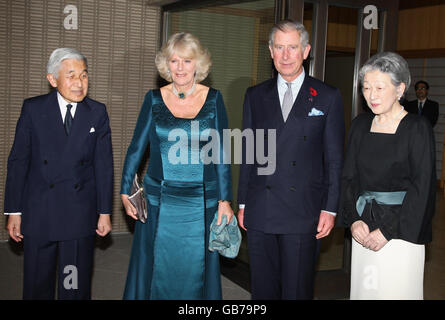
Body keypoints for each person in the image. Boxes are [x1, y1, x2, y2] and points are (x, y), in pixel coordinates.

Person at [237, 20, 345, 300]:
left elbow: (334, 159)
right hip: (261, 207)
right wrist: (243, 203)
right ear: (271, 51)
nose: (286, 55)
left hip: (304, 210)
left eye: (293, 48)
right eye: (280, 47)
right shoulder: (255, 95)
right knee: (262, 289)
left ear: (306, 51)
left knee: (297, 290)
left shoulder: (327, 96)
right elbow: (249, 153)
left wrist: (330, 209)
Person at [120, 32, 233, 300]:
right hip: (159, 201)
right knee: (155, 269)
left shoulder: (214, 100)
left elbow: (222, 154)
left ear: (198, 64)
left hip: (202, 201)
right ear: (166, 65)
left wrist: (225, 200)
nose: (180, 67)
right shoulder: (154, 99)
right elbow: (137, 148)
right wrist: (126, 190)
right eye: (174, 61)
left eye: (186, 60)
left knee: (197, 273)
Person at [4, 48, 114, 299]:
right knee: (37, 283)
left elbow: (103, 165)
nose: (79, 83)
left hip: (77, 216)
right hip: (39, 213)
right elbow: (18, 161)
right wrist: (14, 211)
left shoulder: (96, 112)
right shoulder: (33, 109)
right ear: (53, 80)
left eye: (84, 76)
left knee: (72, 283)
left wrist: (104, 211)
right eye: (71, 75)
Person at [338, 52, 436, 299]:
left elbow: (422, 188)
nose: (371, 95)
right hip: (363, 225)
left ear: (400, 88)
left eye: (380, 87)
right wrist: (354, 219)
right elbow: (348, 177)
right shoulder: (360, 125)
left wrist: (387, 230)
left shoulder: (417, 128)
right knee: (365, 291)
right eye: (366, 87)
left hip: (400, 231)